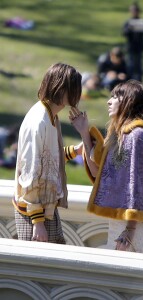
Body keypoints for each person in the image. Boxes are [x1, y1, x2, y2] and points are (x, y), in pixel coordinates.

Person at [70, 79, 143, 253]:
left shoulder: (137, 135)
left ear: (128, 101)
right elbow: (99, 174)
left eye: (115, 97)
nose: (108, 101)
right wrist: (84, 132)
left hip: (133, 224)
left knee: (130, 276)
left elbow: (138, 186)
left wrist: (130, 228)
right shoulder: (120, 135)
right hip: (120, 219)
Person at [13, 63, 83, 243]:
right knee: (36, 269)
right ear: (62, 88)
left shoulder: (51, 116)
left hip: (46, 209)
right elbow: (31, 172)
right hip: (34, 214)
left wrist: (74, 151)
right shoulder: (39, 121)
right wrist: (38, 222)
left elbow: (48, 160)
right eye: (75, 87)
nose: (78, 92)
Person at [122, 2, 143, 82]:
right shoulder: (128, 22)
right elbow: (124, 33)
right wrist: (129, 29)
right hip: (131, 46)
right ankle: (129, 80)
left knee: (138, 65)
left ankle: (139, 81)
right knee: (130, 64)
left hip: (139, 47)